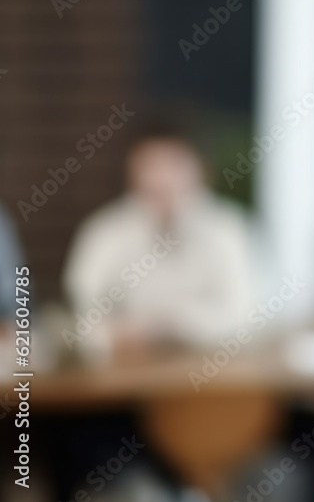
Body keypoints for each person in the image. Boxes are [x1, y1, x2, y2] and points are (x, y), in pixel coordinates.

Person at [62, 124, 257, 363]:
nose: (162, 178)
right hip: (124, 377)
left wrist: (167, 324)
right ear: (130, 173)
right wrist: (110, 334)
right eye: (150, 166)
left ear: (202, 169)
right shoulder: (104, 232)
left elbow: (245, 316)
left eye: (175, 164)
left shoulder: (228, 229)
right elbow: (79, 313)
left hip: (215, 375)